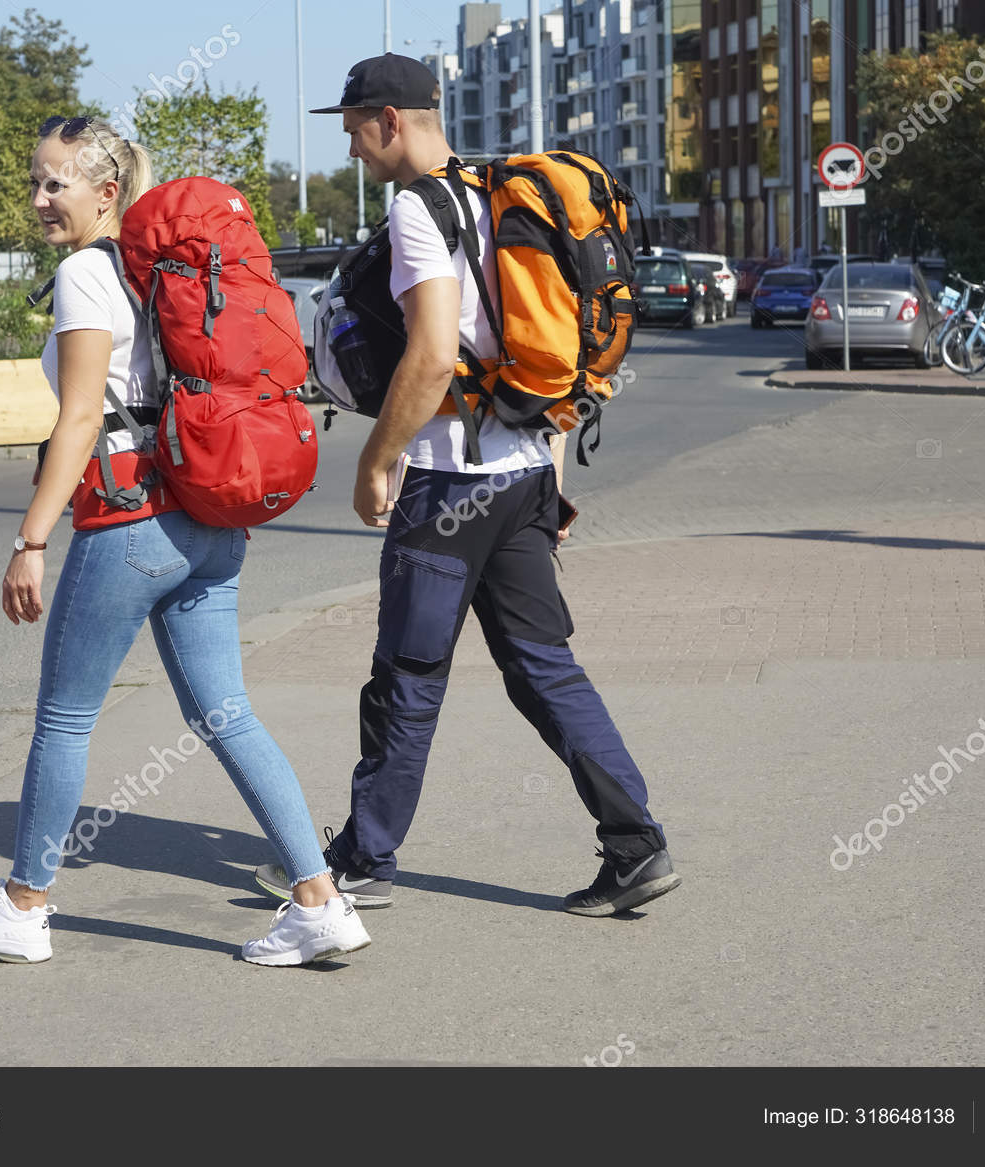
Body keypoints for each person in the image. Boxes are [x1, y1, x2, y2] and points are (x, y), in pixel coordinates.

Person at [0, 114, 370, 968]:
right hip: (208, 522)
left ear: (106, 190)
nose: (39, 198)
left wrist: (32, 539)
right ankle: (319, 901)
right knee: (227, 713)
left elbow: (83, 416)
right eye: (35, 180)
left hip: (130, 524)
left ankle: (22, 905)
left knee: (64, 718)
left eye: (56, 182)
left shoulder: (91, 275)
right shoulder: (162, 271)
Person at [256, 55, 680, 917]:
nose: (351, 146)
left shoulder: (421, 210)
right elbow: (541, 352)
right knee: (545, 669)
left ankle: (364, 860)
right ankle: (636, 846)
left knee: (408, 674)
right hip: (522, 474)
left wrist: (378, 459)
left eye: (353, 127)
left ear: (390, 121)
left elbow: (433, 351)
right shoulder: (498, 194)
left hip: (450, 485)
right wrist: (550, 477)